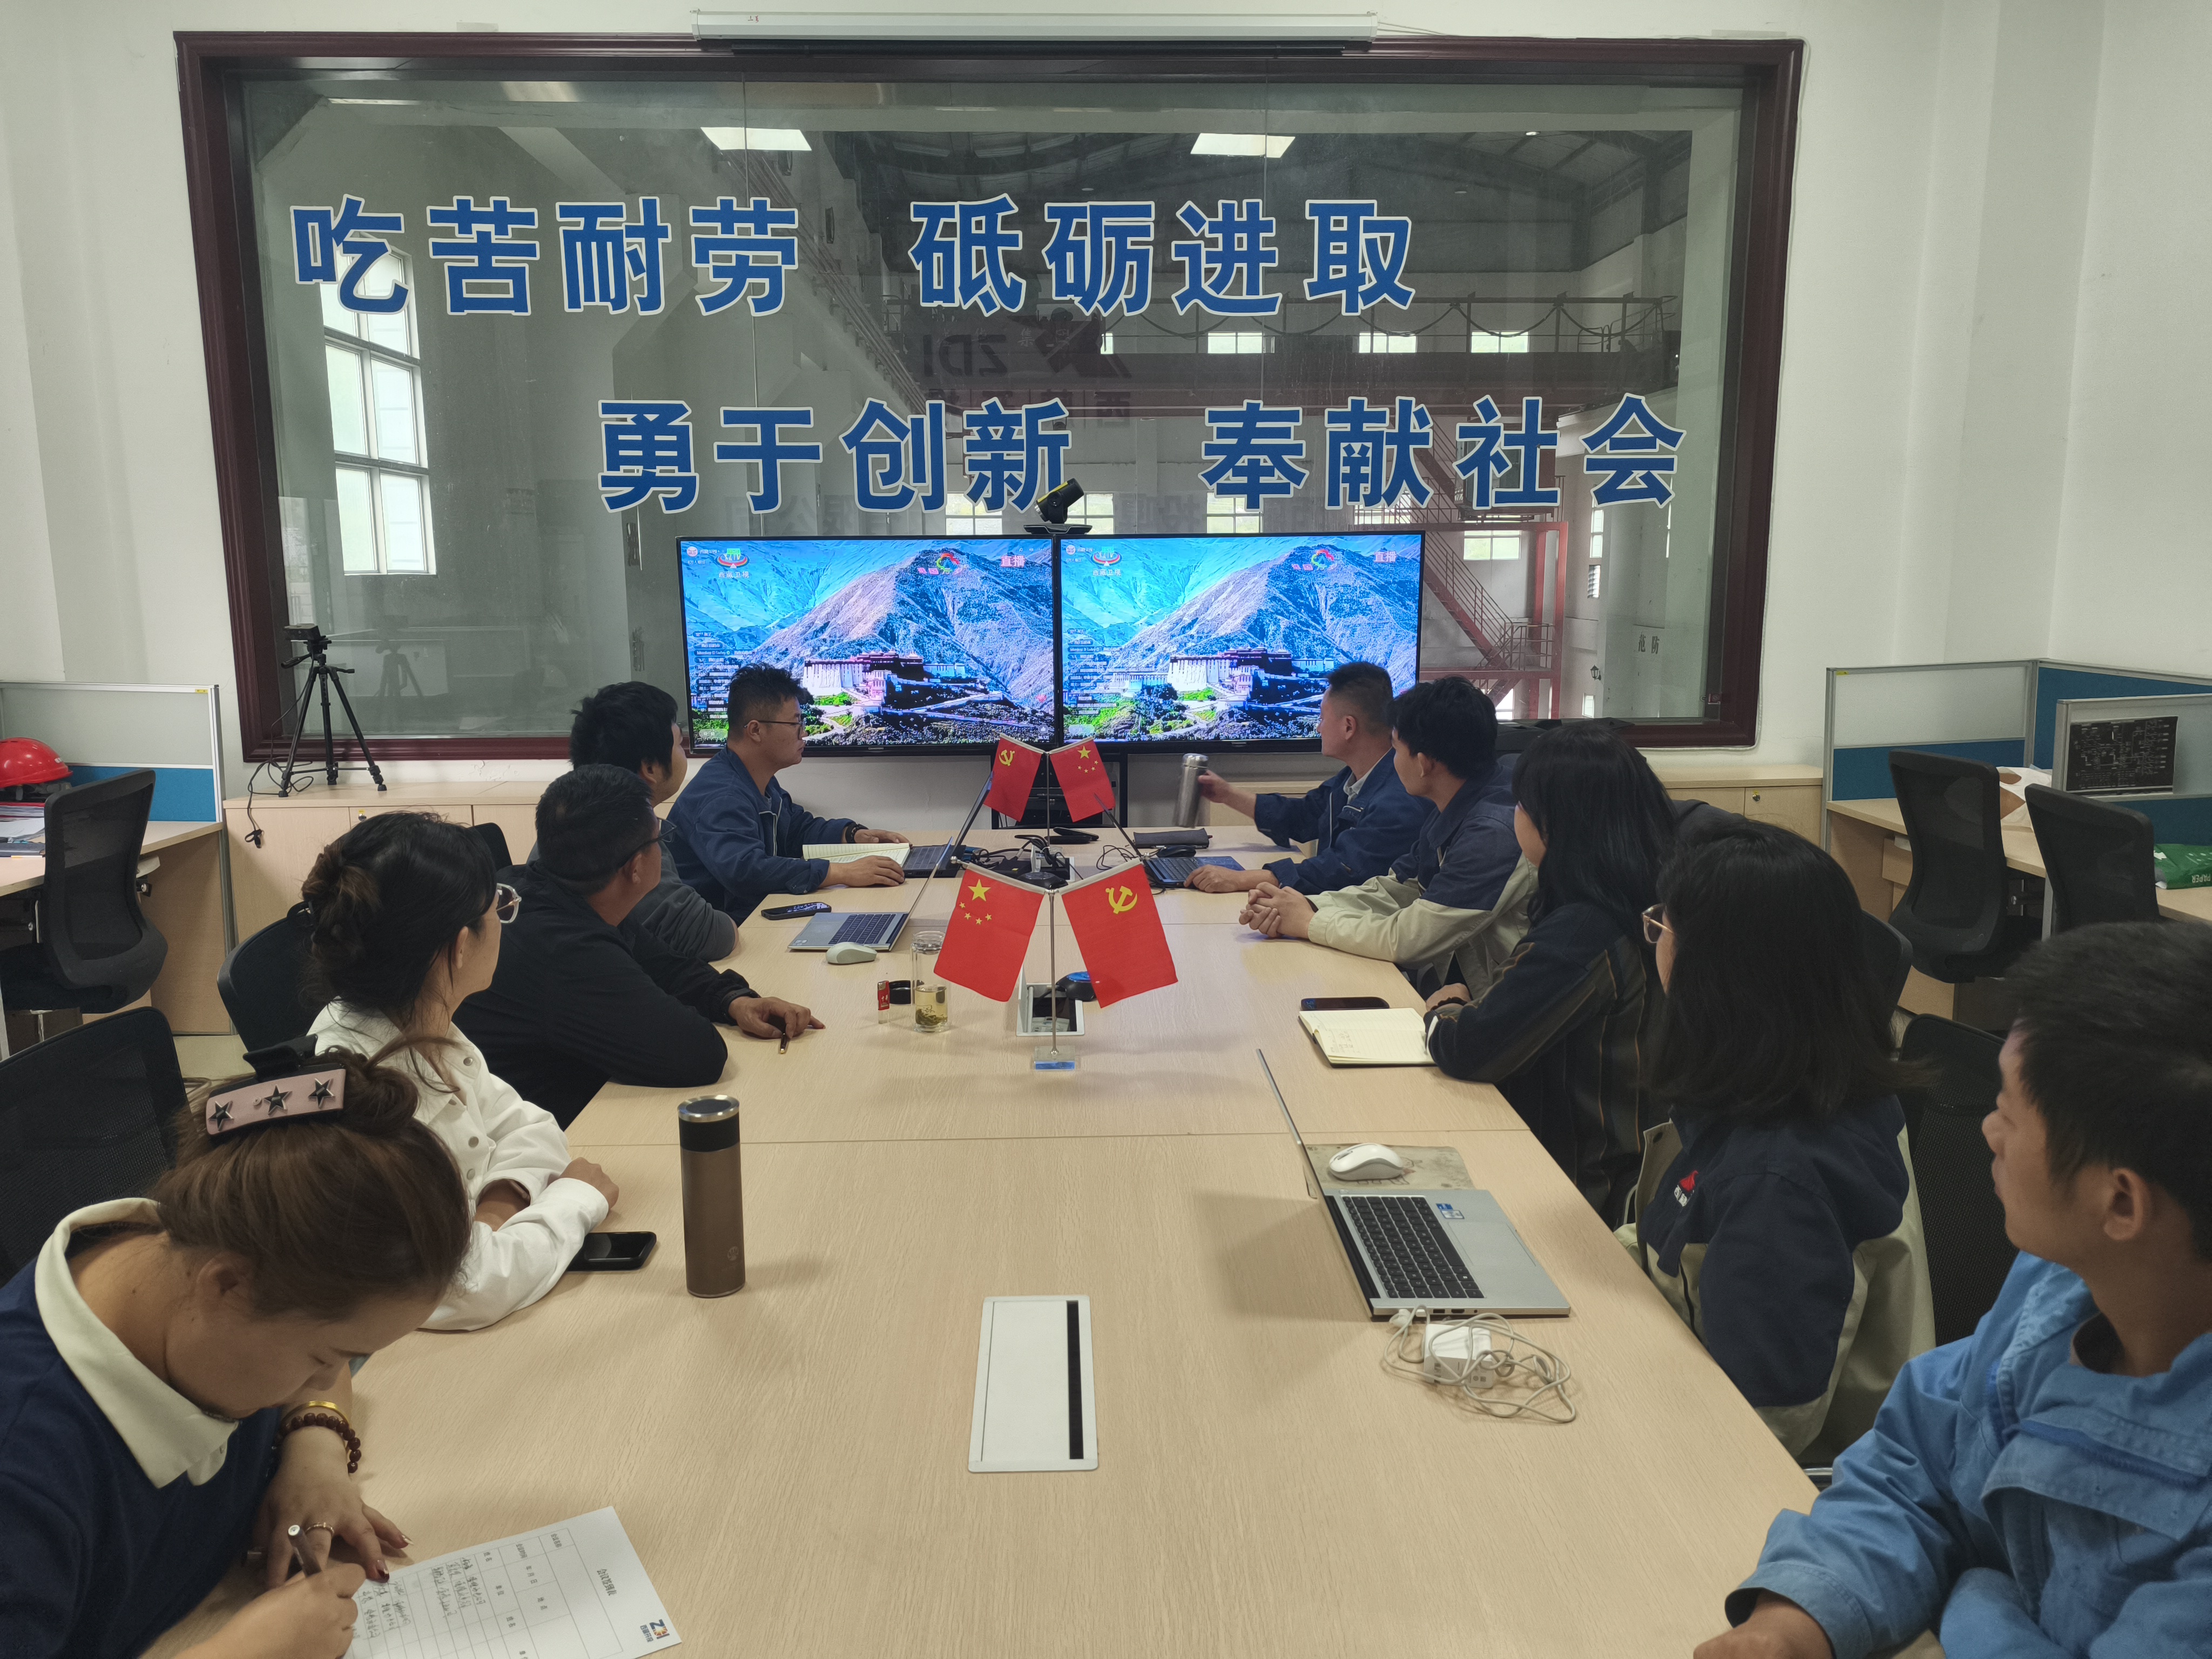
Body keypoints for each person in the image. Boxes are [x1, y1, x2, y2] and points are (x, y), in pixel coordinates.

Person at [1701, 921, 2212, 1659]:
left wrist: (1975, 1597)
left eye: (2009, 1113)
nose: (1988, 1132)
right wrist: (1795, 1622)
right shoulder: (2056, 1291)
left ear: (2121, 1203)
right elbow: (1915, 1464)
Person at [0, 1047, 472, 1659]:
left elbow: (321, 1374)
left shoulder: (194, 1251)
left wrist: (315, 1446)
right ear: (227, 1285)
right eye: (325, 1357)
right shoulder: (24, 1472)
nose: (330, 1377)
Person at [1625, 820, 1933, 1464]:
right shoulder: (1801, 1076)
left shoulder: (1778, 1184)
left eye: (1662, 926)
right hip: (1676, 1379)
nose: (1655, 941)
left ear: (1713, 972)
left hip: (1762, 1484)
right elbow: (1679, 1248)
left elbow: (1753, 1437)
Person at [303, 812, 619, 1331]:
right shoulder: (356, 1090)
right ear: (460, 945)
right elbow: (462, 1288)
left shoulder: (424, 1024)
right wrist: (575, 1199)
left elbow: (531, 1127)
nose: (504, 919)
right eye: (499, 908)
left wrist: (490, 1217)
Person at [457, 766, 823, 1127]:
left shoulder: (551, 889)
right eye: (660, 840)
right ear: (636, 868)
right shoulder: (566, 950)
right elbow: (698, 1054)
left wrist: (734, 1001)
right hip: (549, 1132)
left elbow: (663, 963)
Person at [1421, 721, 1674, 1218]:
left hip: (1580, 1187)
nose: (1514, 815)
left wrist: (1448, 1007)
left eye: (1520, 804)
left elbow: (1469, 1048)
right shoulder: (1652, 898)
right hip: (1636, 1164)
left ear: (1554, 822)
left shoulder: (1583, 933)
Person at [1240, 676, 1534, 997]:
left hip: (1503, 1007)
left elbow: (1410, 939)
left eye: (1395, 749)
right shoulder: (1455, 802)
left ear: (1423, 764)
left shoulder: (1492, 833)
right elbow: (1398, 888)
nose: (1392, 762)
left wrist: (1310, 923)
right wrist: (1303, 905)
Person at [667, 664, 909, 926]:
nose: (804, 732)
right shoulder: (721, 796)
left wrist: (853, 834)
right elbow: (746, 872)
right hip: (724, 934)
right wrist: (842, 872)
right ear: (756, 731)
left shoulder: (756, 777)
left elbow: (794, 829)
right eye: (795, 723)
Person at [1186, 662, 1431, 896]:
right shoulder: (1353, 779)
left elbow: (1344, 869)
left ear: (1349, 727)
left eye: (1323, 718)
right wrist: (1227, 795)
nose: (1318, 728)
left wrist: (1241, 879)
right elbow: (1304, 816)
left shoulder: (1399, 802)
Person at [560, 680, 735, 961]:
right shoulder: (624, 835)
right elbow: (709, 936)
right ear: (651, 768)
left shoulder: (573, 816)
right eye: (679, 744)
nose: (683, 753)